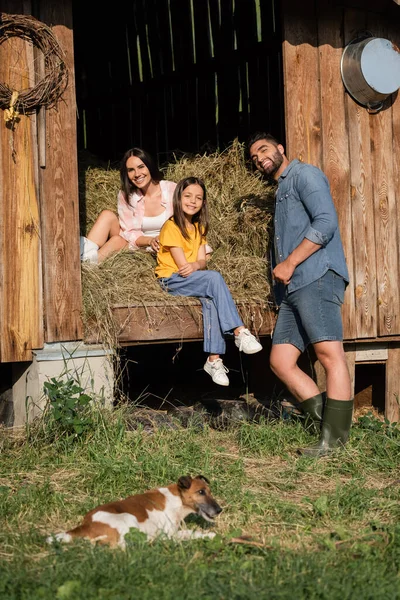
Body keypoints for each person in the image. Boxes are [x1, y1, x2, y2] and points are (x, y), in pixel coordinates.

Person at [247, 132, 353, 457]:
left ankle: (334, 443)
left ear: (280, 149)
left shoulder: (305, 174)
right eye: (253, 157)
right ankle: (325, 431)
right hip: (292, 287)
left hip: (316, 276)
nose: (259, 158)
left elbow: (325, 223)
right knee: (280, 361)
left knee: (329, 356)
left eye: (263, 150)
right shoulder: (280, 191)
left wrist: (290, 262)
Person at [155, 176, 263, 386]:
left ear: (203, 202)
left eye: (198, 198)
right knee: (214, 278)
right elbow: (182, 266)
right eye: (187, 196)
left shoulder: (198, 227)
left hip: (190, 276)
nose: (192, 201)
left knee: (211, 300)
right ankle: (239, 330)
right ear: (178, 198)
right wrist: (196, 265)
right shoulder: (171, 227)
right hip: (171, 279)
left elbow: (201, 261)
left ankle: (214, 360)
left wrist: (197, 265)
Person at [80, 147, 177, 263]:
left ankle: (87, 264)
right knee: (107, 215)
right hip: (139, 243)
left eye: (141, 167)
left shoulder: (172, 190)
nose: (137, 174)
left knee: (116, 241)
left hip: (165, 244)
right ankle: (83, 257)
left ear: (149, 166)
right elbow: (130, 233)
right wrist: (149, 240)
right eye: (131, 170)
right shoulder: (127, 196)